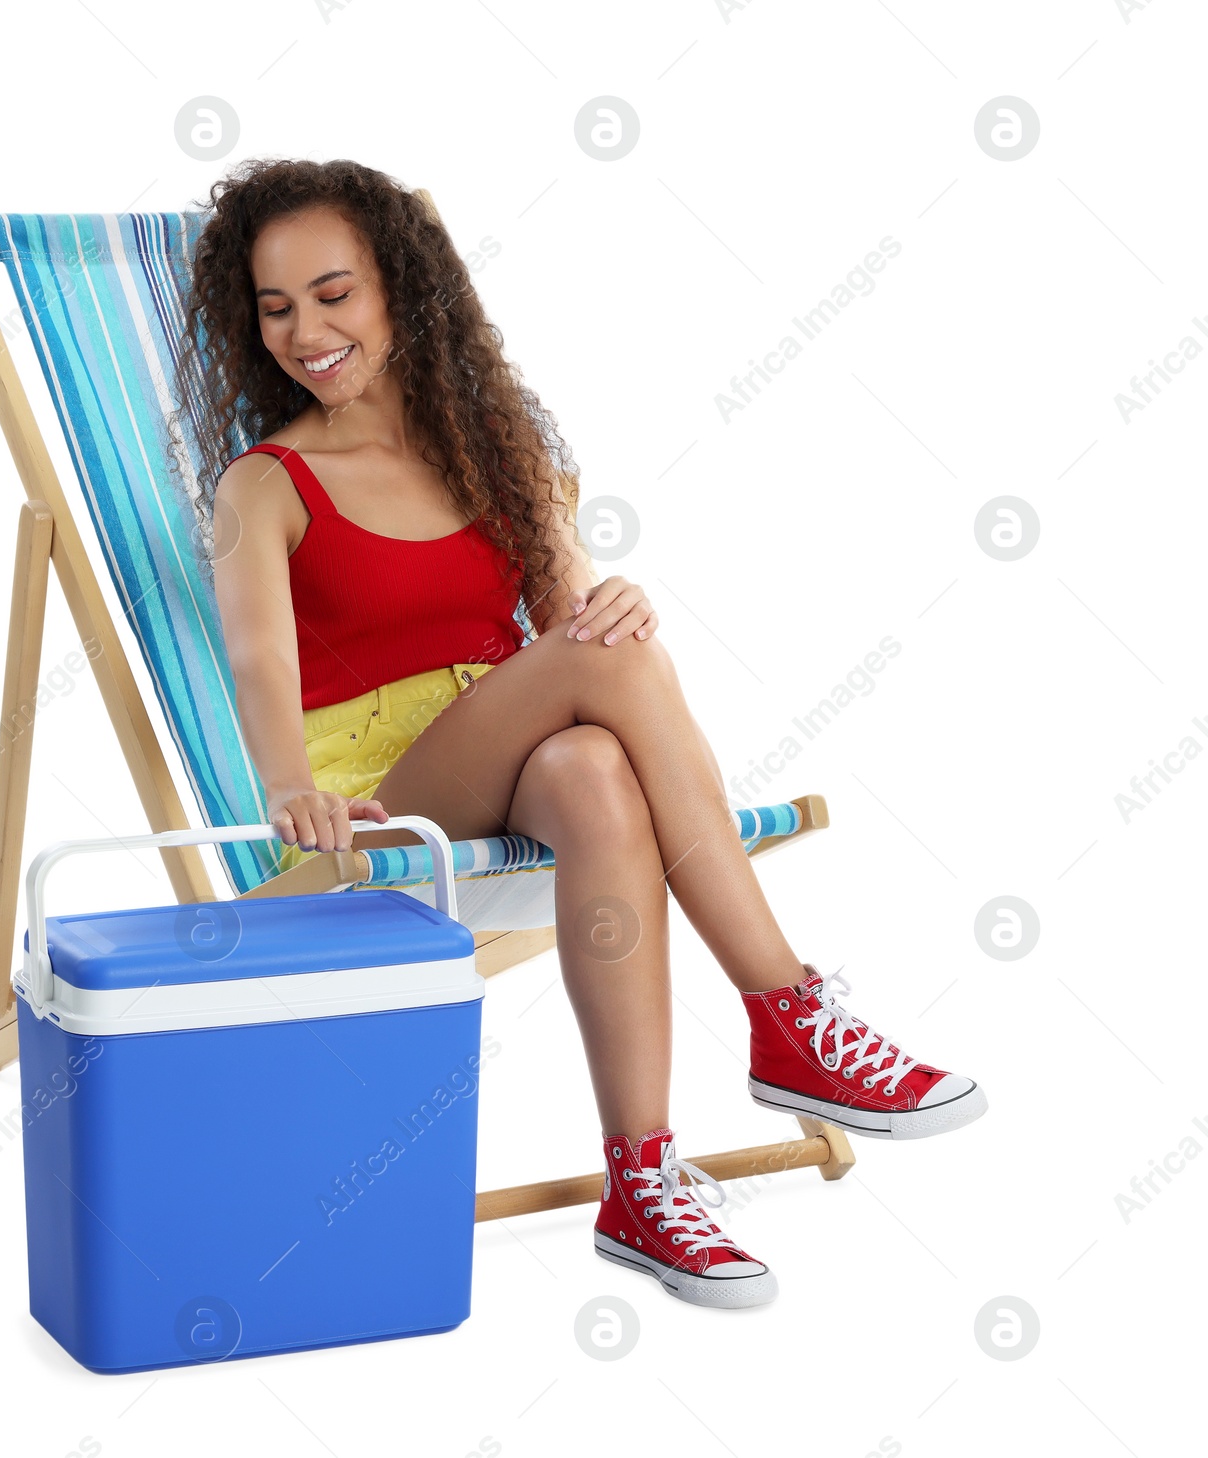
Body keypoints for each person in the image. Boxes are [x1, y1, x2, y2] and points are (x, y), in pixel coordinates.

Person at [174, 157, 985, 1310]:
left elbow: (576, 627)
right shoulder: (267, 482)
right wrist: (287, 788)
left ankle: (642, 1183)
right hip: (381, 803)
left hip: (519, 752)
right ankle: (785, 1009)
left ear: (403, 288)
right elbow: (258, 658)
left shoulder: (494, 446)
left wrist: (618, 608)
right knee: (605, 675)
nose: (306, 329)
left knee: (598, 767)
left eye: (334, 292)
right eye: (276, 307)